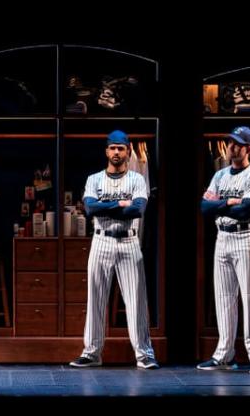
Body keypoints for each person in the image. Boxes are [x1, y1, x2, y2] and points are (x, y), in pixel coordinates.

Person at [68, 130, 158, 369]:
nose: (116, 152)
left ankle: (144, 354)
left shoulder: (137, 179)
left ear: (128, 151)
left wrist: (104, 206)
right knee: (95, 298)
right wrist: (120, 203)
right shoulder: (94, 179)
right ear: (106, 151)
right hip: (101, 239)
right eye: (113, 148)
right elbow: (90, 210)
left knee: (136, 300)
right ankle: (92, 352)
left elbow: (137, 210)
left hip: (129, 241)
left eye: (121, 148)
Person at [198, 126, 250, 374]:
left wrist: (220, 205)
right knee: (224, 299)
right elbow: (204, 208)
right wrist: (228, 202)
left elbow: (245, 210)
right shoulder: (220, 176)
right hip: (223, 238)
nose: (231, 147)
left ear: (248, 149)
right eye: (230, 142)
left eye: (237, 144)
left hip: (246, 236)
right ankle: (224, 354)